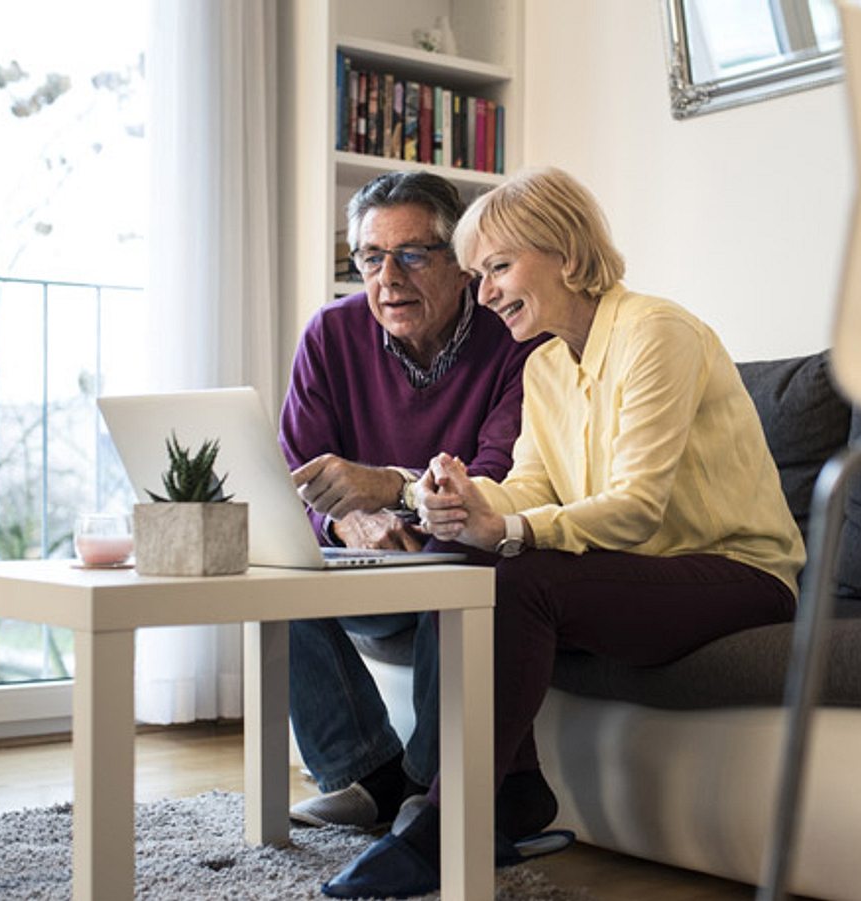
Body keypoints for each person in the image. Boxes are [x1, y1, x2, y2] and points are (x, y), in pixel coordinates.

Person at [322, 167, 806, 898]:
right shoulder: (546, 365)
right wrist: (445, 498)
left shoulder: (656, 332)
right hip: (632, 574)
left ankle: (439, 824)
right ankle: (512, 796)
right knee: (476, 571)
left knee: (519, 577)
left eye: (498, 267)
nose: (483, 293)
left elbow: (637, 505)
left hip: (736, 574)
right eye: (478, 274)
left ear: (567, 252)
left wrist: (507, 526)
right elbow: (528, 489)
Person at [280, 171, 542, 830]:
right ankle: (366, 772)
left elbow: (497, 477)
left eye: (412, 254)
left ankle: (430, 792)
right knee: (269, 569)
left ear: (460, 265)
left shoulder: (513, 338)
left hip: (453, 559)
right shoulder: (330, 335)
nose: (387, 276)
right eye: (371, 257)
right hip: (363, 572)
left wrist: (393, 497)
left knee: (464, 569)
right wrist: (345, 522)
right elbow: (292, 475)